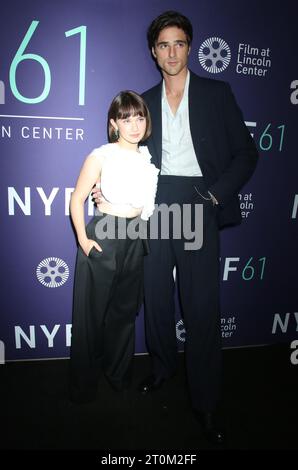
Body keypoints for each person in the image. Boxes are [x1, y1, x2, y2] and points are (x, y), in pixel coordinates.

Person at [93, 11, 258, 445]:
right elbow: (125, 155)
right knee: (157, 298)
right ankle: (164, 368)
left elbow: (246, 154)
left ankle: (205, 402)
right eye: (163, 44)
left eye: (179, 43)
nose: (171, 51)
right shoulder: (143, 101)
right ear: (154, 51)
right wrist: (108, 192)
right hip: (154, 203)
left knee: (201, 307)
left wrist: (215, 195)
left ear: (190, 47)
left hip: (199, 203)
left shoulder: (217, 92)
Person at [69, 90, 159, 404]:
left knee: (123, 314)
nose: (134, 124)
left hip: (136, 237)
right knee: (90, 317)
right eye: (126, 118)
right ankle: (82, 386)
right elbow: (76, 198)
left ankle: (118, 375)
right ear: (114, 123)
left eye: (139, 116)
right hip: (104, 234)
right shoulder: (101, 155)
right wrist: (83, 239)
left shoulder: (148, 158)